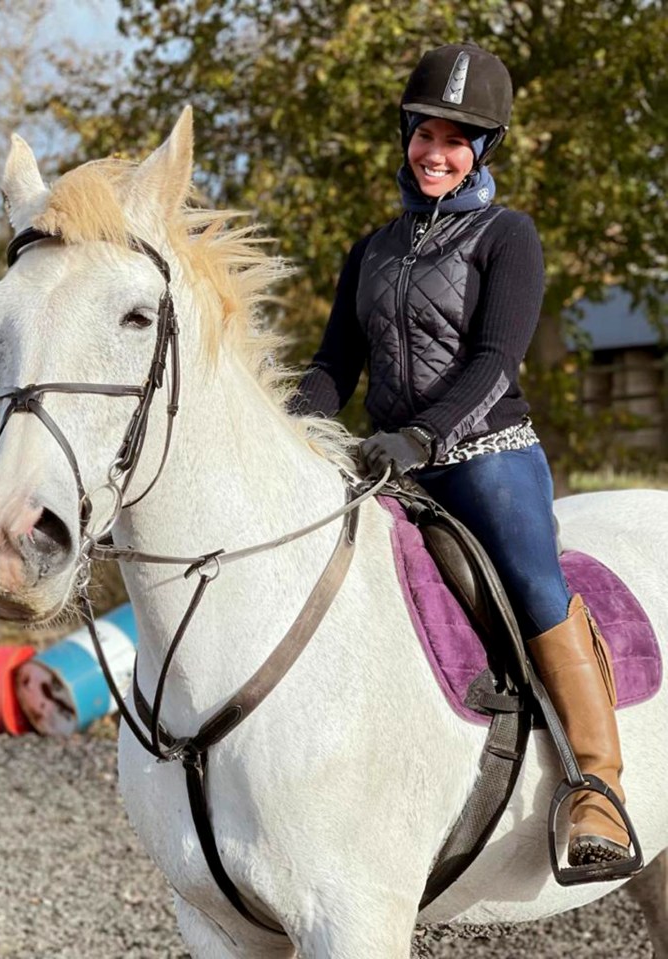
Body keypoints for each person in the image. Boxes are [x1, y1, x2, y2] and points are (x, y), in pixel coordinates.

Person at [291, 41, 633, 868]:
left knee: (531, 582)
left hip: (484, 453)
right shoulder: (369, 249)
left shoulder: (507, 237)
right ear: (405, 135)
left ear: (481, 149)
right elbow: (334, 365)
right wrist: (292, 426)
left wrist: (422, 435)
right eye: (423, 134)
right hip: (384, 459)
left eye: (455, 139)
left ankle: (598, 790)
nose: (434, 154)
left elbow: (492, 362)